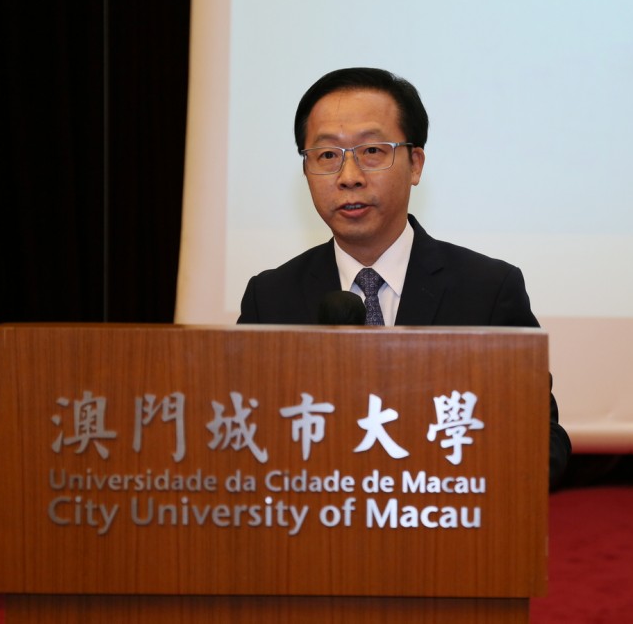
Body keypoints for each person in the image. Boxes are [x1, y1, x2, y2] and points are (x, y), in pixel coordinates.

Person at [238, 67, 570, 489]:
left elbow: (544, 443)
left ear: (415, 164)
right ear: (305, 170)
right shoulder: (270, 297)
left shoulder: (488, 289)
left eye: (372, 151)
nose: (349, 176)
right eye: (327, 155)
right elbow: (239, 437)